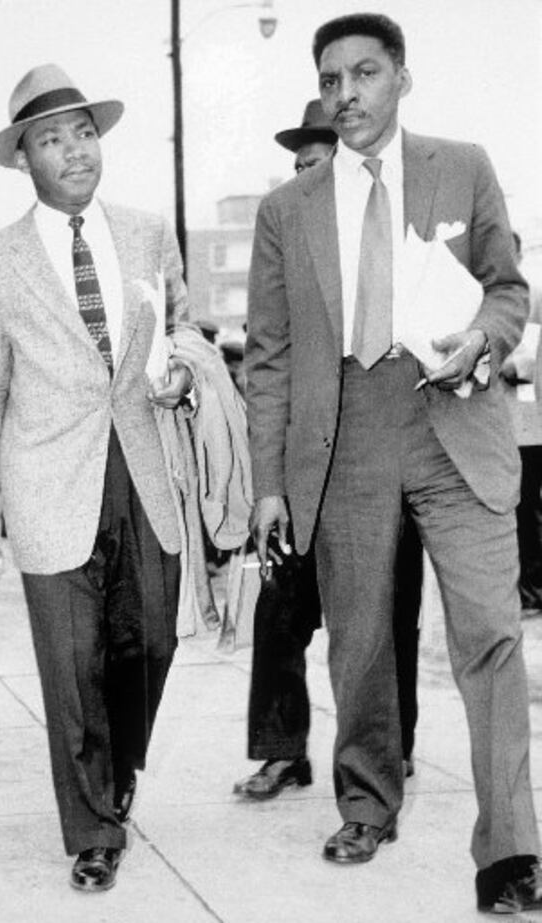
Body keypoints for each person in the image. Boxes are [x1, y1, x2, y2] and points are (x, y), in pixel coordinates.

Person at [245, 13, 541, 914]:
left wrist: (483, 341)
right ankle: (367, 802)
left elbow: (508, 286)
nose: (347, 95)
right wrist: (267, 485)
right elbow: (267, 355)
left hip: (455, 421)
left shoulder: (465, 165)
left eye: (364, 74)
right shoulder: (284, 210)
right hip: (347, 438)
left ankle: (511, 850)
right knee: (362, 642)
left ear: (402, 78)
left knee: (490, 634)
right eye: (331, 80)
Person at [0, 64, 195, 894]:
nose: (75, 152)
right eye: (53, 139)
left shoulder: (147, 232)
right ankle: (94, 827)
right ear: (25, 157)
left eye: (85, 133)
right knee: (71, 665)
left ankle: (119, 763)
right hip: (46, 480)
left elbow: (187, 332)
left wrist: (186, 373)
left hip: (145, 470)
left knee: (154, 640)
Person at [234, 99, 422, 801]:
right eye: (301, 165)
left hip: (385, 462)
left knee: (388, 613)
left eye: (321, 164)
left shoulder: (389, 239)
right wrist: (267, 483)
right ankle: (283, 750)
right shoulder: (284, 239)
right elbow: (266, 363)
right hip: (304, 469)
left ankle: (392, 745)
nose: (307, 178)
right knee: (280, 611)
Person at [501, 232, 542, 618]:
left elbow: (526, 361)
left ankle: (531, 591)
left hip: (528, 424)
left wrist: (501, 367)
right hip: (515, 424)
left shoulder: (529, 294)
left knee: (527, 509)